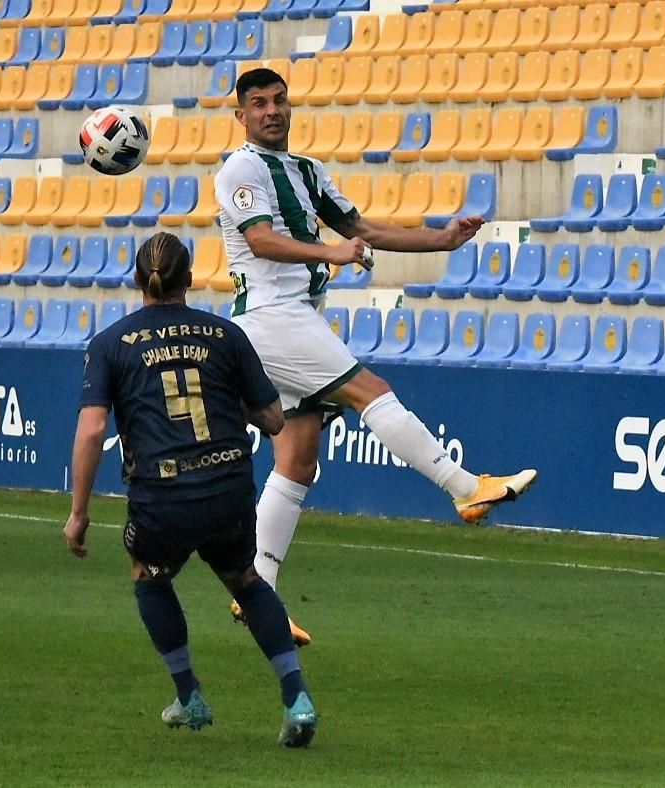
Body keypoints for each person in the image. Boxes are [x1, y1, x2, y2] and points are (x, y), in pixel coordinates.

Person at [215, 68, 538, 643]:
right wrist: (331, 252)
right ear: (241, 116)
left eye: (279, 101)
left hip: (294, 316)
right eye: (258, 104)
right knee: (372, 390)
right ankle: (466, 489)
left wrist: (441, 240)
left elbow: (362, 227)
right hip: (270, 316)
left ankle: (255, 593)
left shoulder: (306, 171)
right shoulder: (240, 169)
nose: (271, 111)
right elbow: (261, 240)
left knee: (298, 457)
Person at [63, 232, 318, 748]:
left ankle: (190, 695)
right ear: (191, 278)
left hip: (163, 494)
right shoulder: (225, 335)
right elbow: (272, 418)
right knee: (246, 580)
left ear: (138, 281)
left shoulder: (111, 344)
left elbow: (92, 430)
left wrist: (79, 513)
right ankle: (297, 700)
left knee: (150, 576)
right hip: (228, 486)